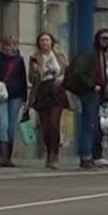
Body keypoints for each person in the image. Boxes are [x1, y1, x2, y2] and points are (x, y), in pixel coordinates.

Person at [65, 28, 108, 170]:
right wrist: (92, 85)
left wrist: (103, 92)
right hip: (89, 93)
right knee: (88, 124)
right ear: (98, 39)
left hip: (97, 93)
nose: (105, 41)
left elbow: (103, 75)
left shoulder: (101, 55)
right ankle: (86, 156)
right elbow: (80, 71)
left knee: (94, 125)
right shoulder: (91, 53)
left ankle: (91, 155)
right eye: (103, 38)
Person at [28, 31, 70, 169]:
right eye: (42, 40)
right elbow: (32, 79)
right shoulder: (34, 58)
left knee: (54, 123)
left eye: (47, 40)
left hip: (57, 90)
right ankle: (48, 151)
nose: (44, 43)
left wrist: (62, 78)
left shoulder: (59, 56)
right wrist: (35, 72)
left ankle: (55, 154)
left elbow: (68, 71)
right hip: (42, 91)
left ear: (52, 42)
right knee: (45, 126)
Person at [0, 36, 28, 166]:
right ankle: (3, 154)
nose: (10, 48)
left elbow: (23, 79)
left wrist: (25, 98)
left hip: (16, 95)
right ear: (3, 46)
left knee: (11, 126)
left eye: (13, 45)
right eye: (8, 45)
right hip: (1, 93)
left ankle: (7, 154)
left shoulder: (19, 60)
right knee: (3, 123)